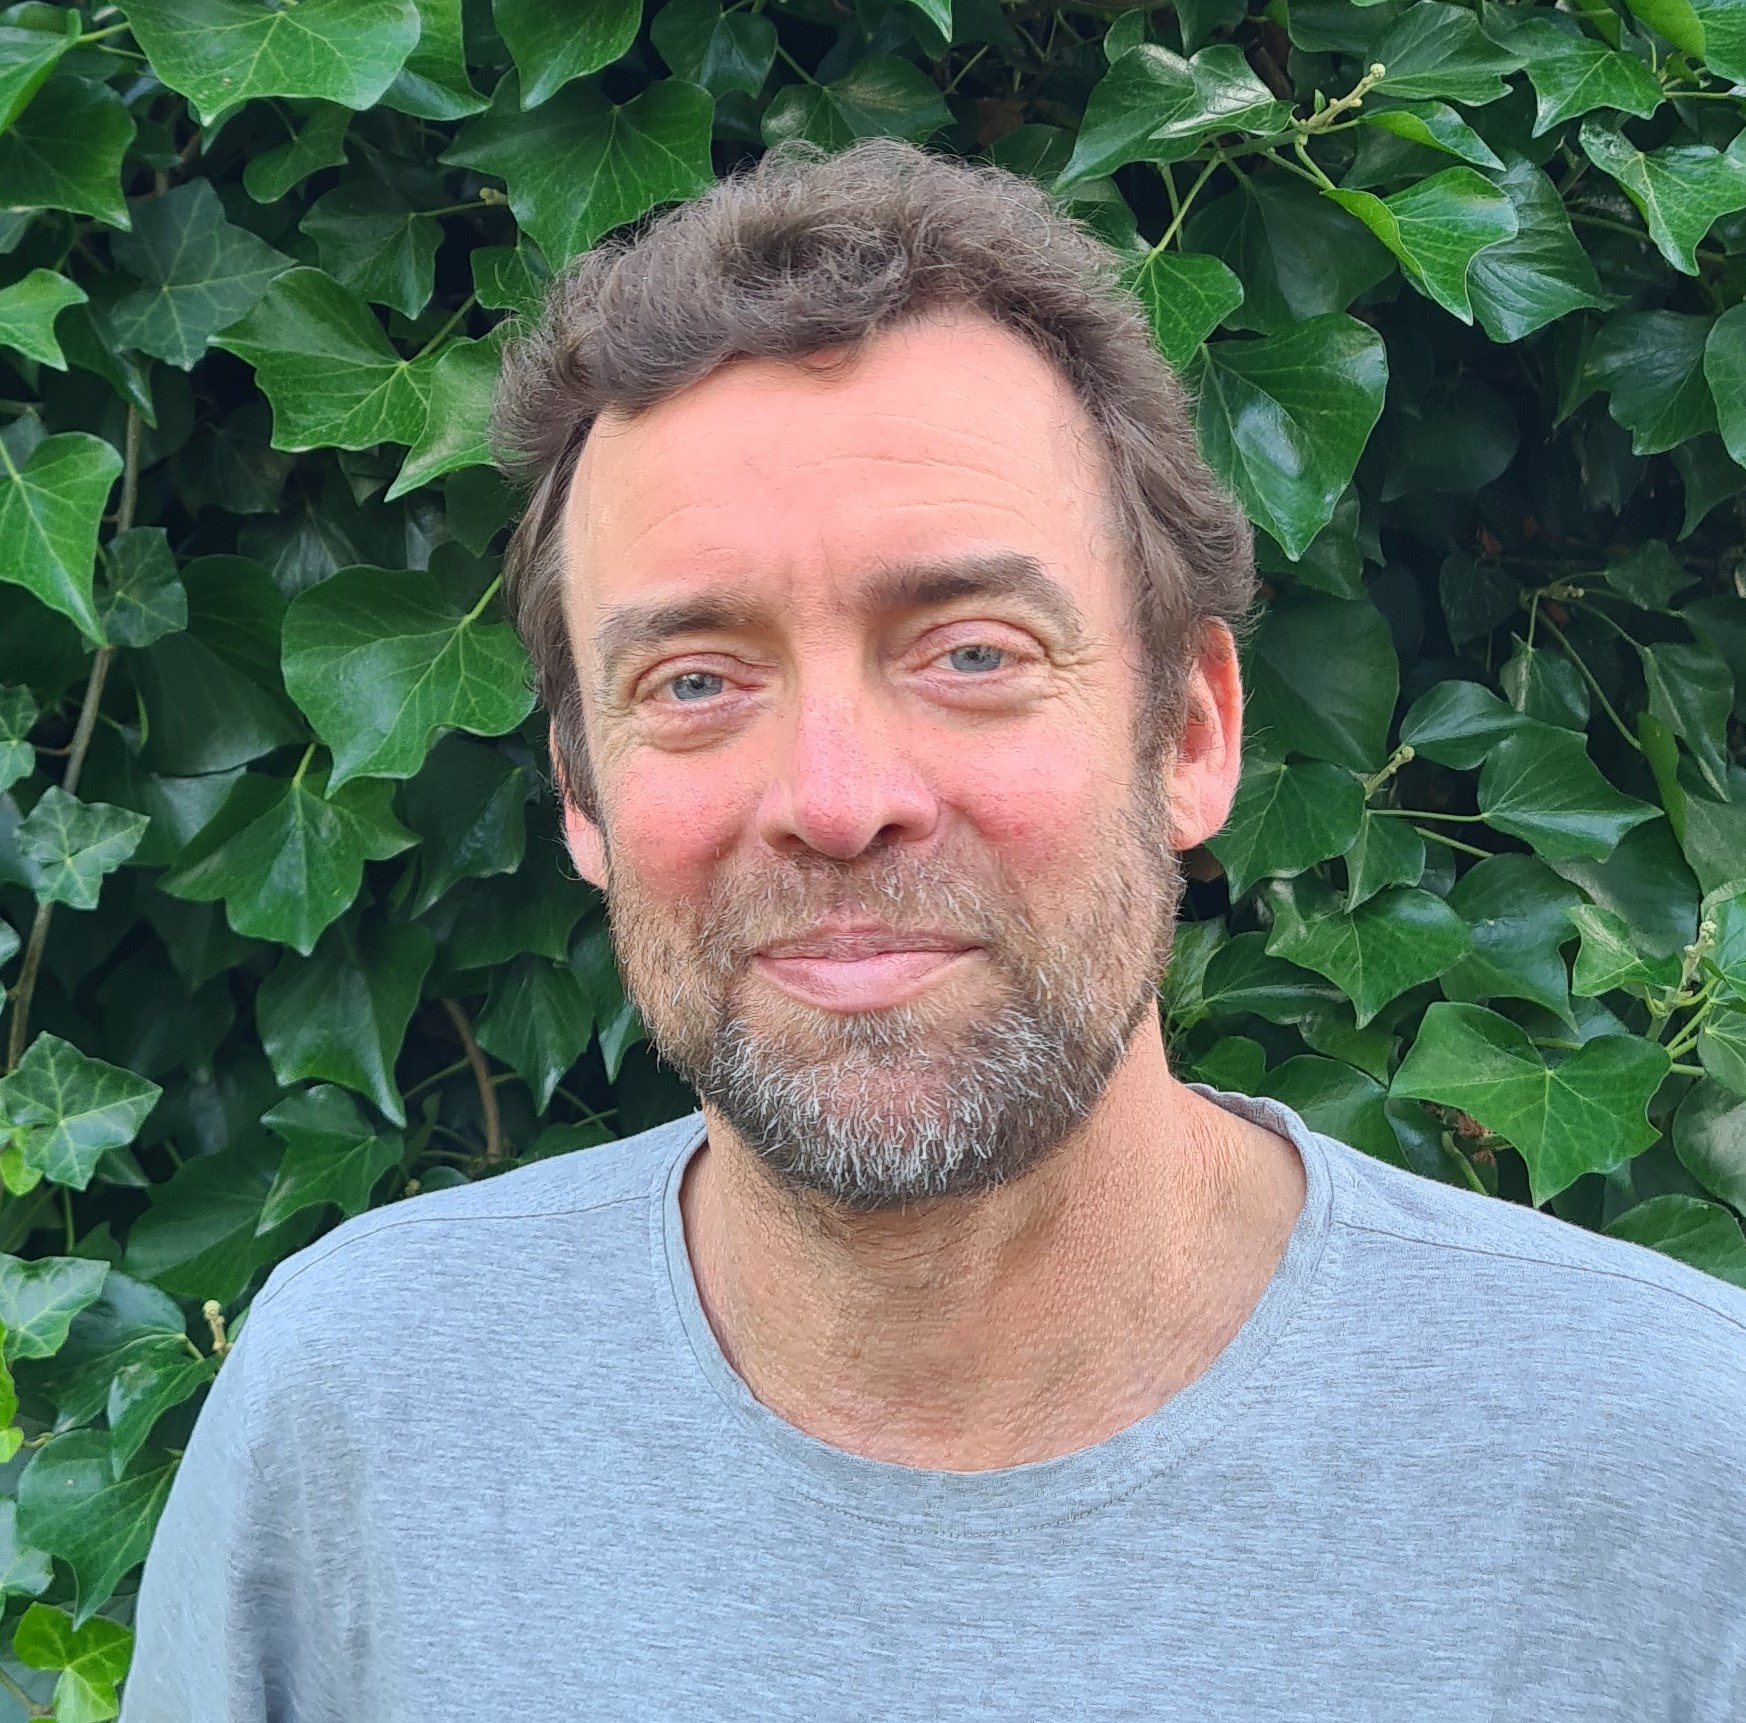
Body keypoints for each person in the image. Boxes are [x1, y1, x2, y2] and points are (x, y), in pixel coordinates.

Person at [123, 141, 1745, 1721]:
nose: (835, 801)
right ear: (580, 794)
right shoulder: (360, 1404)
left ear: (1190, 734)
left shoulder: (1675, 1460)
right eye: (693, 680)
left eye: (970, 653)